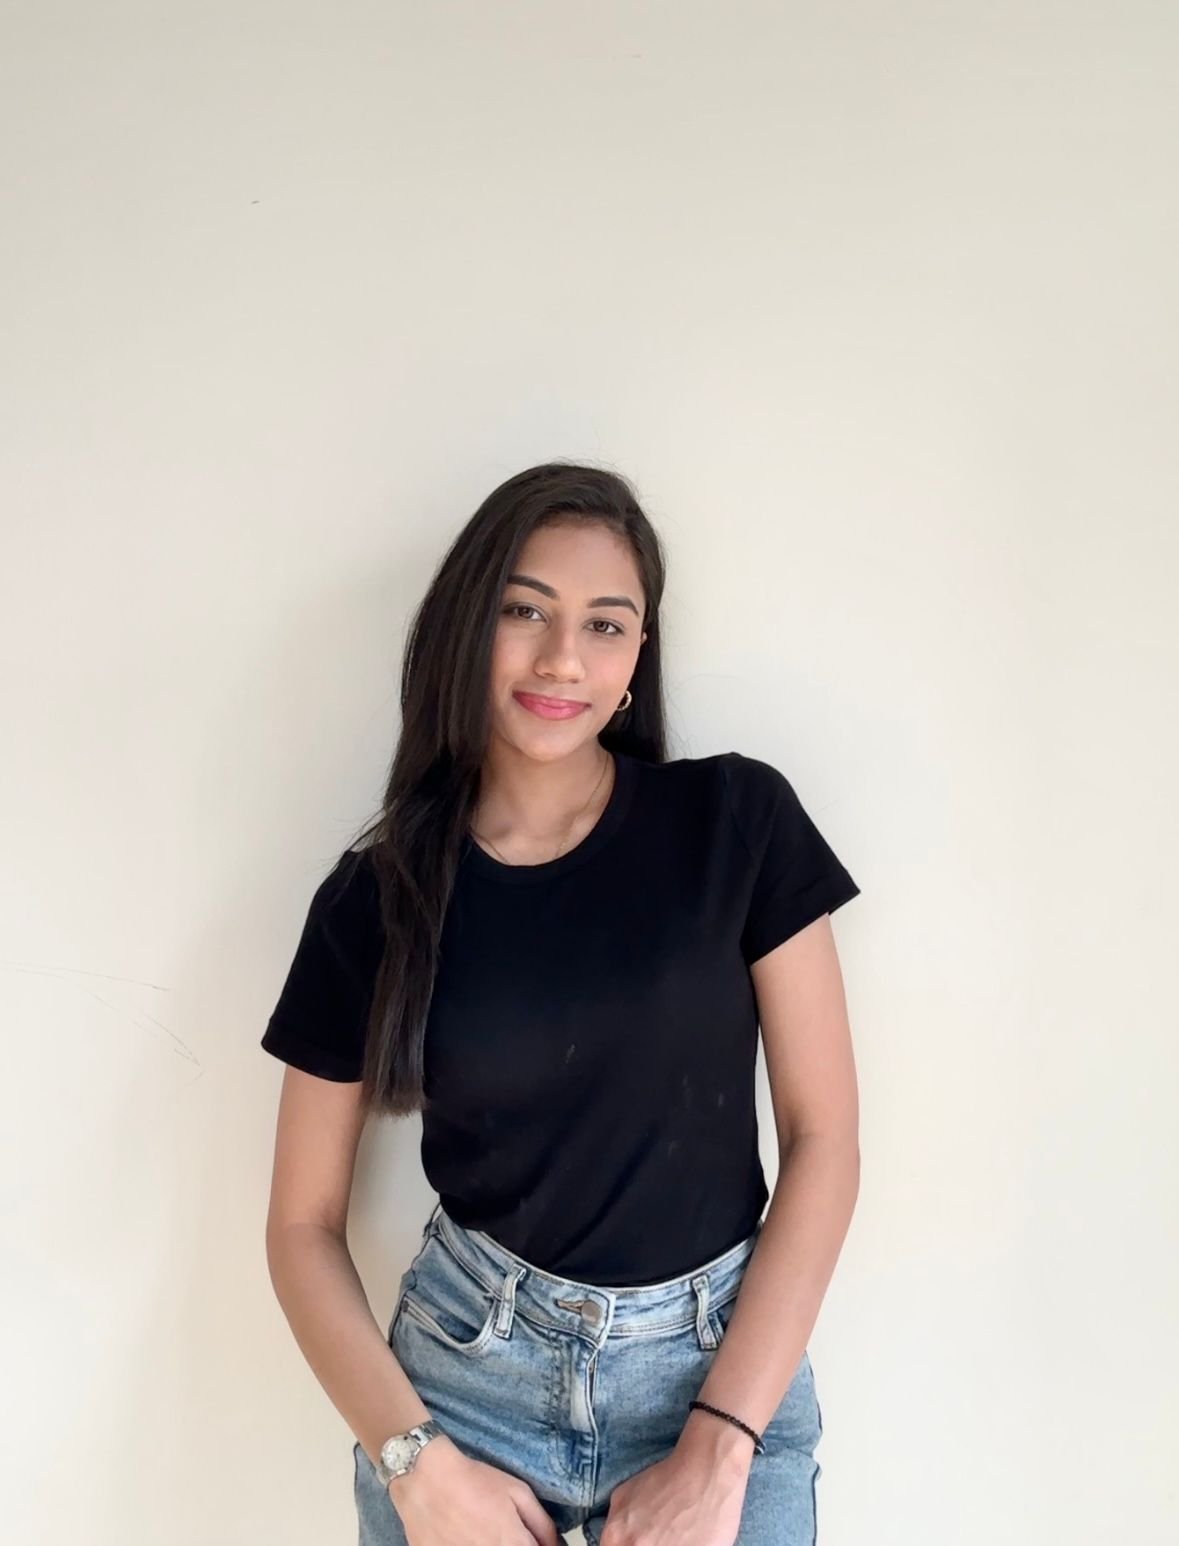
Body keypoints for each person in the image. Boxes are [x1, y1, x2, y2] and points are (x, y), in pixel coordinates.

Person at [260, 462, 862, 1545]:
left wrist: (721, 1446)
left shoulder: (737, 821)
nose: (561, 659)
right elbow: (301, 1227)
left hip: (719, 1366)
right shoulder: (377, 898)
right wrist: (417, 1466)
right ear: (468, 625)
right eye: (524, 611)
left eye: (604, 624)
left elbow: (825, 1139)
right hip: (465, 1386)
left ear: (637, 658)